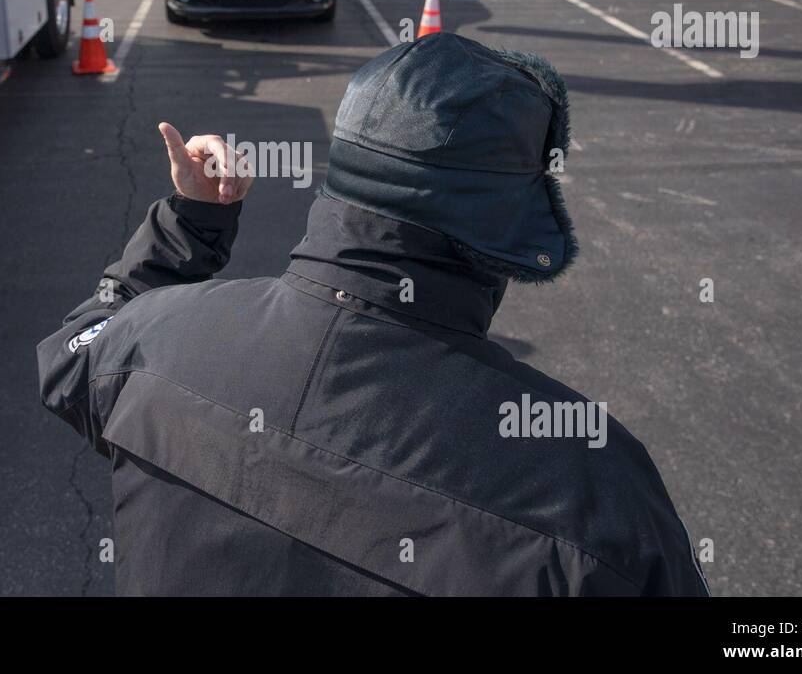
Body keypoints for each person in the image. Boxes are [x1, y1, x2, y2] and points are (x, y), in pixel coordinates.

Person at [36, 32, 710, 596]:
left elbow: (72, 352)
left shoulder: (153, 343)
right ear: (512, 231)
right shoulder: (594, 487)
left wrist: (193, 224)